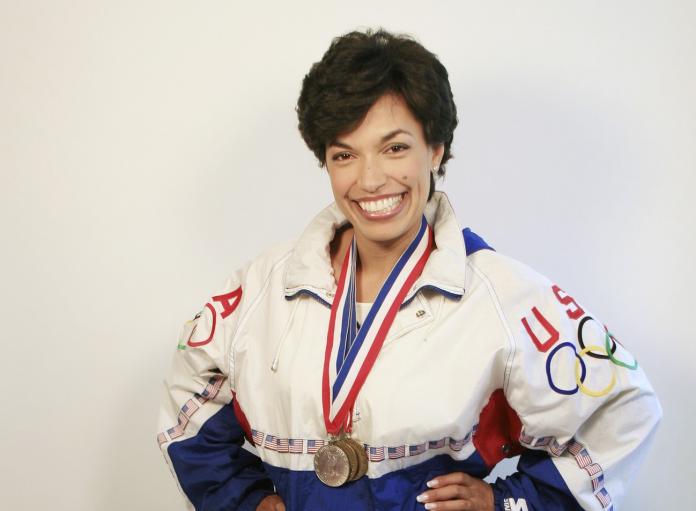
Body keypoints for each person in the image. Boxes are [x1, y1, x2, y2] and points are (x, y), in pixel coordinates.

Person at [157, 29, 661, 511]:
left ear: (435, 149)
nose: (371, 179)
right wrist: (243, 500)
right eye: (344, 154)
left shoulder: (504, 297)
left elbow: (623, 413)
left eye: (395, 147)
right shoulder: (261, 286)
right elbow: (188, 403)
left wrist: (510, 501)